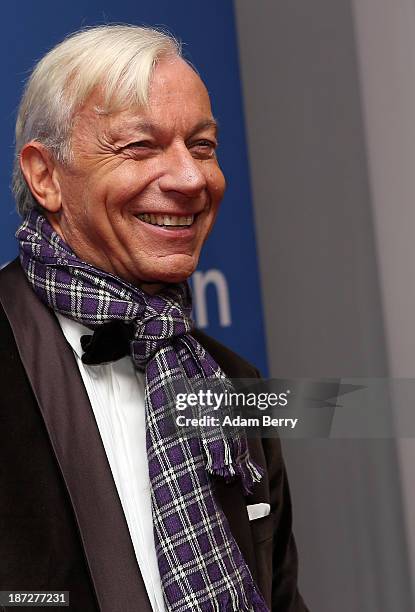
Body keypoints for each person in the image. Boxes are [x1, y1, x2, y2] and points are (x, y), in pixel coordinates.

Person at [0, 25, 307, 612]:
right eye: (139, 147)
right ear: (45, 176)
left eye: (202, 146)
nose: (191, 179)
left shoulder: (232, 384)